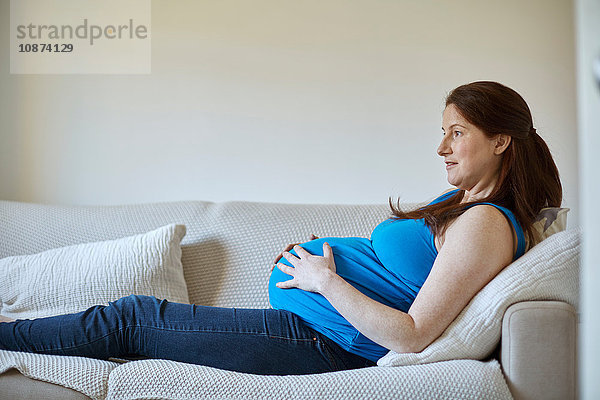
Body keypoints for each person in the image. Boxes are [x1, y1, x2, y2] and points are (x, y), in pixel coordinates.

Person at [0, 81, 562, 375]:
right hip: (312, 331)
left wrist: (323, 279)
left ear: (501, 140)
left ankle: (9, 337)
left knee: (134, 319)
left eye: (457, 133)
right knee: (136, 320)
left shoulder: (487, 223)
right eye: (442, 131)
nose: (441, 147)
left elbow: (413, 333)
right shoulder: (466, 203)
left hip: (323, 344)